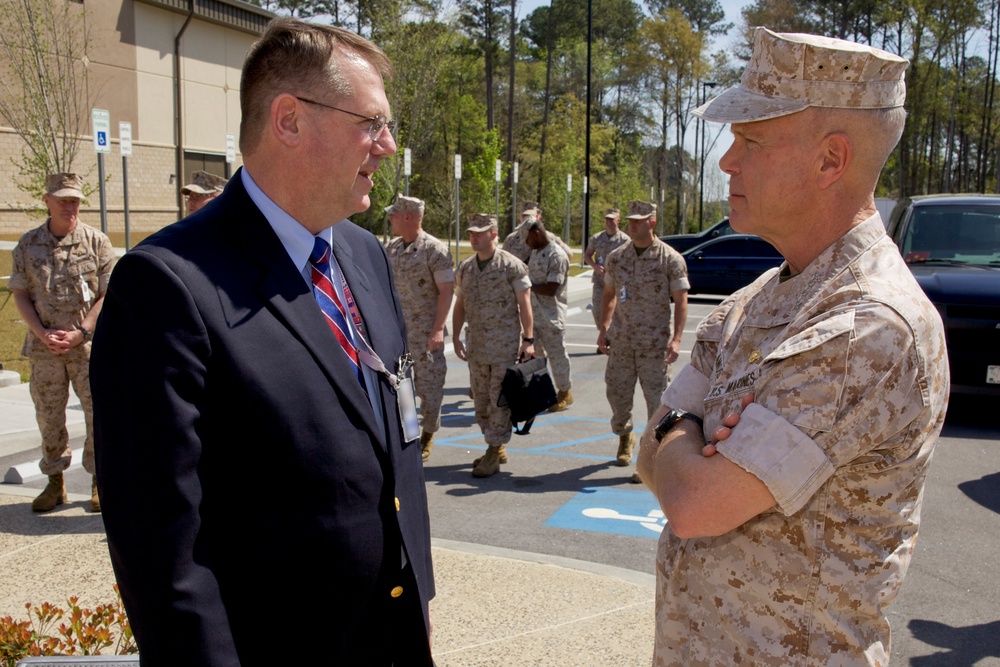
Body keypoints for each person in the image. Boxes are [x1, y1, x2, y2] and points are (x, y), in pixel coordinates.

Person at [91, 18, 435, 666]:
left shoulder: (365, 256)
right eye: (371, 123)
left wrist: (413, 614)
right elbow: (168, 564)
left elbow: (392, 451)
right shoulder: (168, 287)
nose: (386, 145)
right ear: (289, 120)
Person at [635, 28, 949, 666]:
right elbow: (653, 456)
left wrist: (682, 429)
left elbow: (694, 503)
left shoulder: (867, 326)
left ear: (831, 160)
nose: (727, 161)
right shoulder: (757, 299)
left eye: (750, 140)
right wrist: (686, 431)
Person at [9, 173, 114, 514]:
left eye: (75, 200)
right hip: (45, 350)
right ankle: (55, 483)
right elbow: (20, 293)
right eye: (63, 199)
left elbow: (106, 294)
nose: (70, 206)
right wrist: (41, 333)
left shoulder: (96, 242)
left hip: (86, 348)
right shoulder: (27, 245)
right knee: (49, 416)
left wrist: (82, 331)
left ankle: (100, 481)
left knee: (98, 414)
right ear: (47, 200)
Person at [597, 200, 688, 480]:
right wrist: (604, 328)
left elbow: (681, 300)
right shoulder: (617, 257)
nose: (632, 225)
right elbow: (609, 293)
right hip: (622, 341)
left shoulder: (669, 258)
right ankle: (625, 436)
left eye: (639, 220)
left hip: (654, 345)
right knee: (617, 395)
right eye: (630, 221)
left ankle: (648, 458)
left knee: (657, 404)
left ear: (652, 222)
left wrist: (676, 339)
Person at [452, 213, 534, 478]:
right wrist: (455, 336)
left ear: (494, 234)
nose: (474, 237)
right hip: (476, 347)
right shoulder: (465, 268)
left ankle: (493, 449)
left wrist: (528, 340)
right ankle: (495, 444)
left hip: (504, 347)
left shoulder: (512, 266)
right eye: (471, 232)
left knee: (499, 402)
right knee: (481, 402)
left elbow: (525, 303)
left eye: (480, 232)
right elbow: (460, 303)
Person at [385, 194, 454, 461]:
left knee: (430, 386)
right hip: (399, 333)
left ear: (407, 217)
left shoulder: (435, 250)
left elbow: (447, 291)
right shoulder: (391, 248)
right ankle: (410, 432)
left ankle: (427, 433)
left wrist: (438, 329)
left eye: (394, 214)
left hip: (427, 334)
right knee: (402, 385)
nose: (390, 218)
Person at [524, 219, 572, 411]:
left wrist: (528, 287)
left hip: (552, 316)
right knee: (537, 358)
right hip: (534, 315)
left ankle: (564, 392)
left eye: (527, 239)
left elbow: (552, 288)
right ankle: (546, 394)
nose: (526, 244)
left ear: (536, 233)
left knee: (557, 356)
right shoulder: (535, 252)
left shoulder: (556, 255)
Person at [583, 207, 628, 339]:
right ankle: (606, 334)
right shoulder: (597, 238)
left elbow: (628, 260)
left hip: (616, 282)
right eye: (607, 219)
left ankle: (610, 339)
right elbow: (587, 256)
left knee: (616, 311)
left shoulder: (625, 240)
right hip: (599, 280)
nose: (609, 222)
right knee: (597, 310)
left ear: (618, 221)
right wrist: (595, 266)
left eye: (612, 219)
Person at [502, 201, 572, 263]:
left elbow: (568, 254)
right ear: (520, 217)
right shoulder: (511, 240)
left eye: (531, 216)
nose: (527, 218)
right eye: (525, 216)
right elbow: (503, 261)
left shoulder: (548, 237)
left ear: (538, 217)